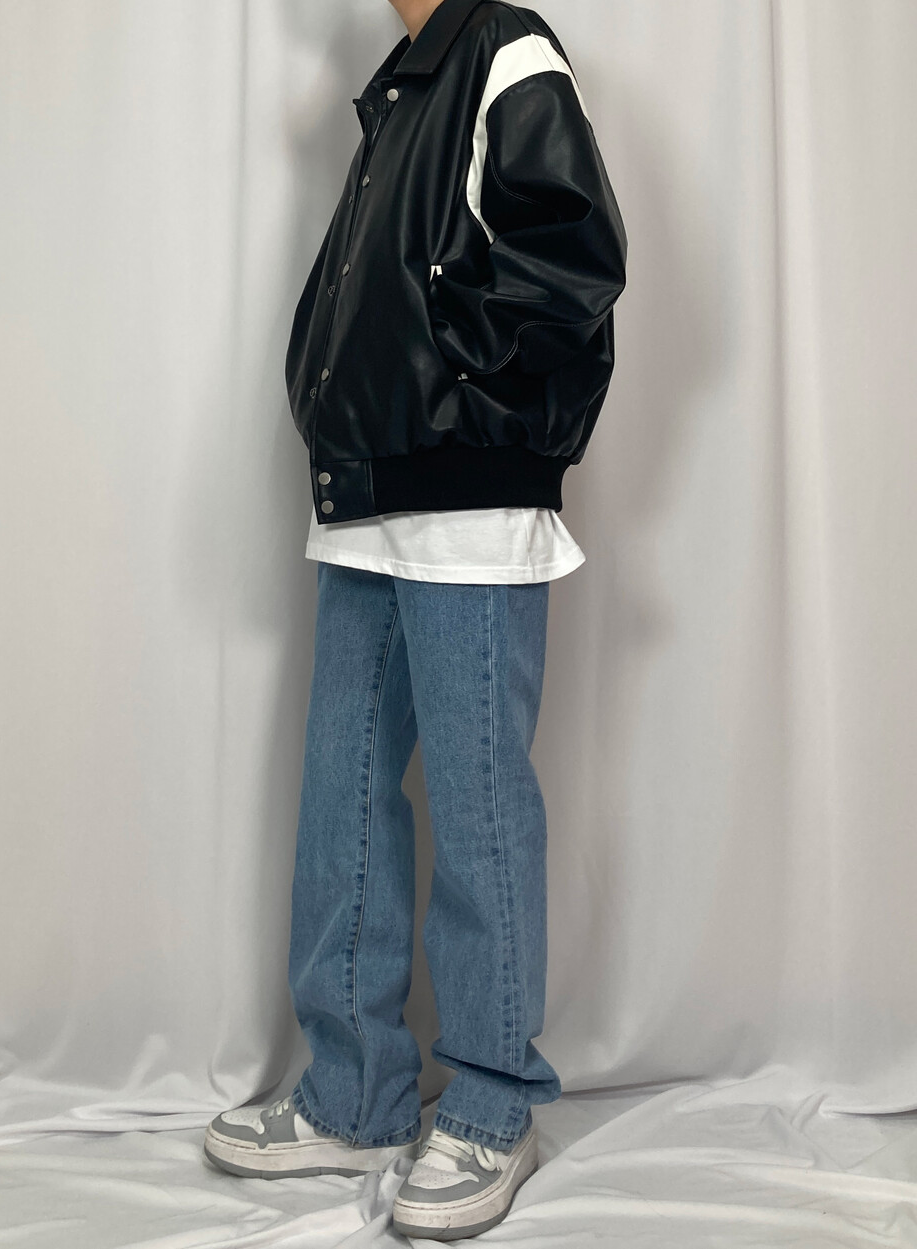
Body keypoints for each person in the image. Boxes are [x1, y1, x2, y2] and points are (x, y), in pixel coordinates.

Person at [204, 0, 627, 1238]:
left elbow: (574, 259)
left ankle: (491, 1104)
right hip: (368, 496)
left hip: (465, 502)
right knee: (342, 793)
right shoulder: (407, 85)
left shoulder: (505, 49)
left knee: (479, 804)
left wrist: (449, 378)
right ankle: (355, 1093)